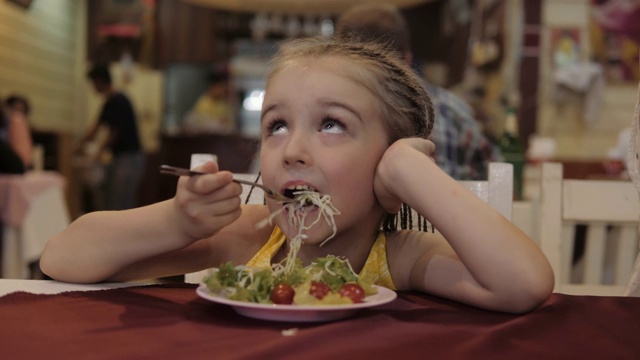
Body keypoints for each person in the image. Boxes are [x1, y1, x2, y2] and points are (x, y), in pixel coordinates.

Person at [40, 37, 553, 313]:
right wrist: (177, 223)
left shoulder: (399, 256)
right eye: (277, 126)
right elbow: (62, 257)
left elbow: (524, 284)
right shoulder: (247, 234)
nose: (293, 150)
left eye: (332, 125)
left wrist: (407, 169)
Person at [336, 3, 501, 180]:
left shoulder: (330, 118)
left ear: (338, 62)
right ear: (408, 58)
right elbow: (502, 181)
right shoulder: (455, 111)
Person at [77, 65, 145, 210]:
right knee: (115, 201)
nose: (93, 88)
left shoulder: (118, 100)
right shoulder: (110, 102)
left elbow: (114, 133)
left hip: (129, 158)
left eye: (93, 83)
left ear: (99, 81)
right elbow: (96, 128)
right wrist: (80, 146)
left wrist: (96, 154)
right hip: (123, 158)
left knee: (121, 203)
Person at [0, 95, 32, 172]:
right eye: (14, 110)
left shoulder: (16, 121)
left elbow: (22, 164)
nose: (17, 113)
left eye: (21, 111)